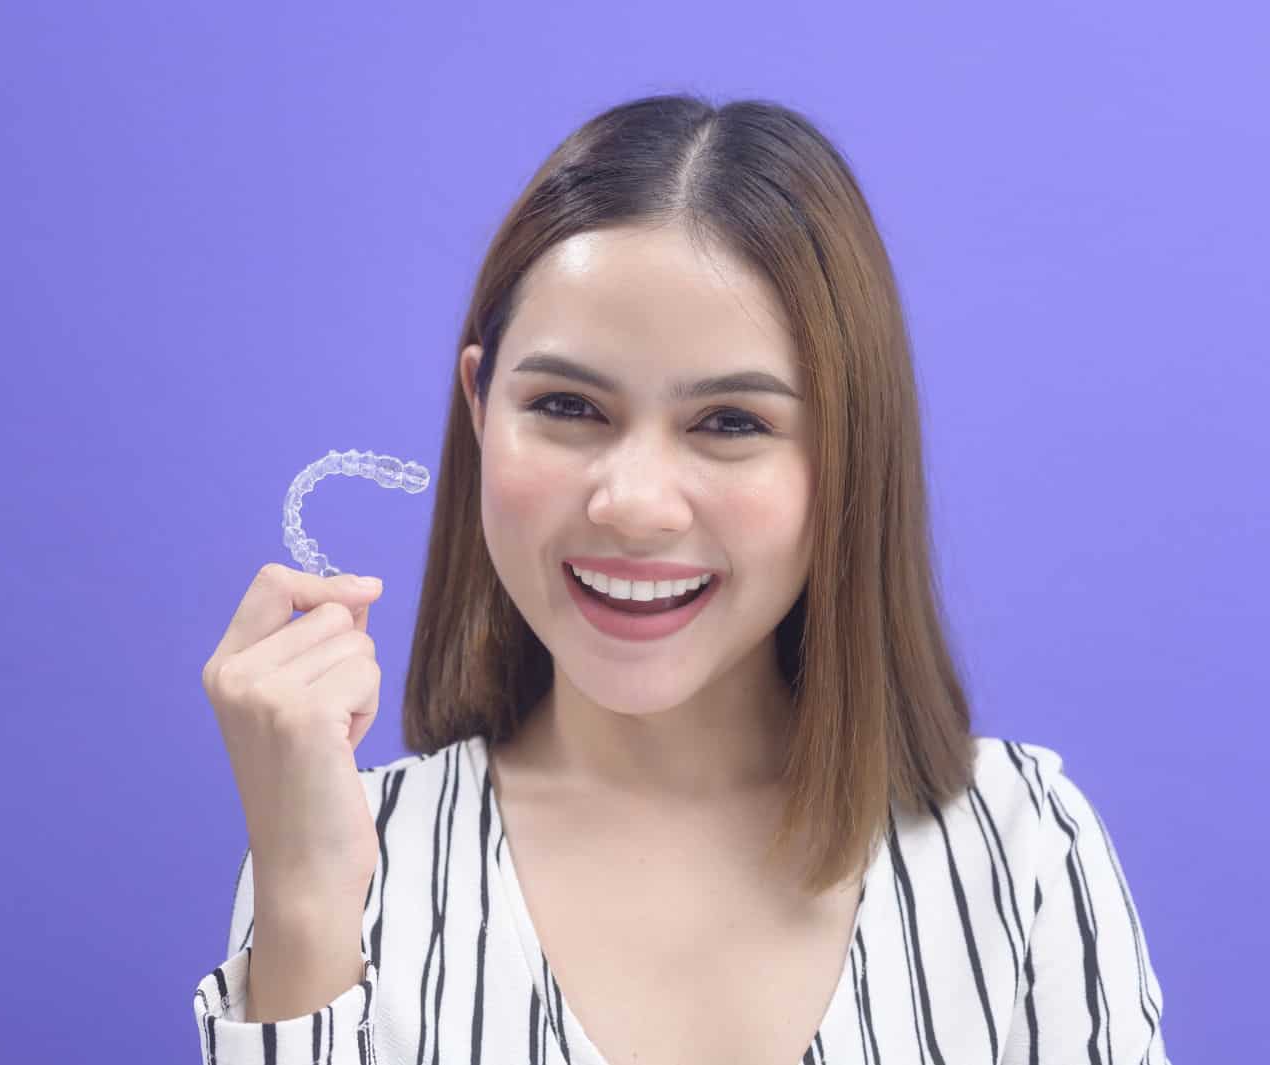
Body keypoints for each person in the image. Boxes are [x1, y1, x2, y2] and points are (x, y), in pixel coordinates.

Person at [194, 94, 1169, 1065]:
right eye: (569, 405)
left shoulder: (1022, 849)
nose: (635, 502)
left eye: (731, 422)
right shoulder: (332, 852)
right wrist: (308, 892)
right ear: (479, 406)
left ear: (848, 454)